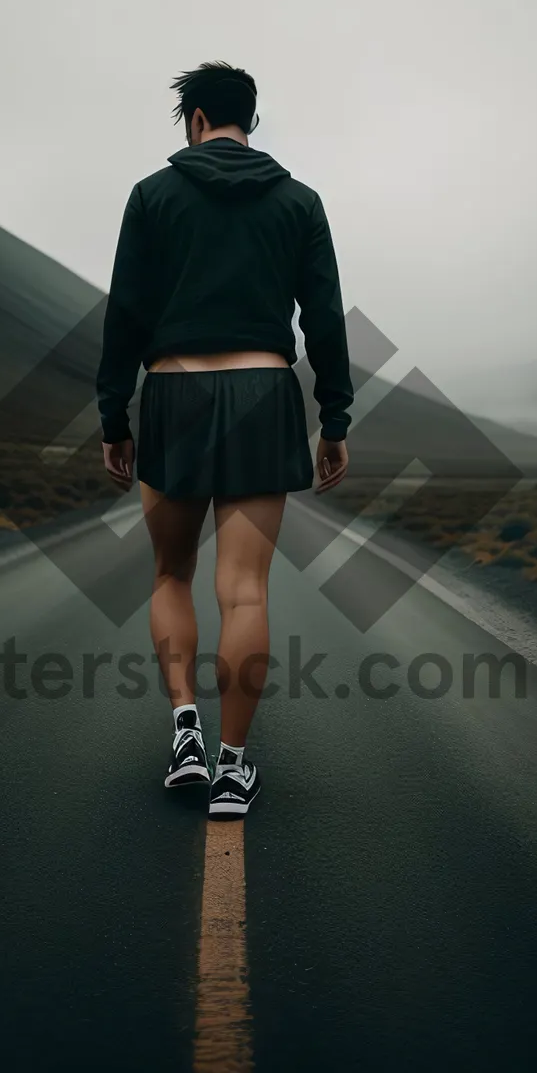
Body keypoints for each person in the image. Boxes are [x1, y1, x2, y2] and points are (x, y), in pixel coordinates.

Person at [95, 60, 353, 820]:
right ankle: (234, 770)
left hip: (173, 391)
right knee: (245, 591)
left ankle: (184, 735)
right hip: (263, 392)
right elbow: (326, 320)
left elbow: (126, 316)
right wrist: (333, 419)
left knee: (170, 575)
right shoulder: (299, 202)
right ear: (248, 119)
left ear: (197, 119)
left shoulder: (152, 195)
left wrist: (115, 418)